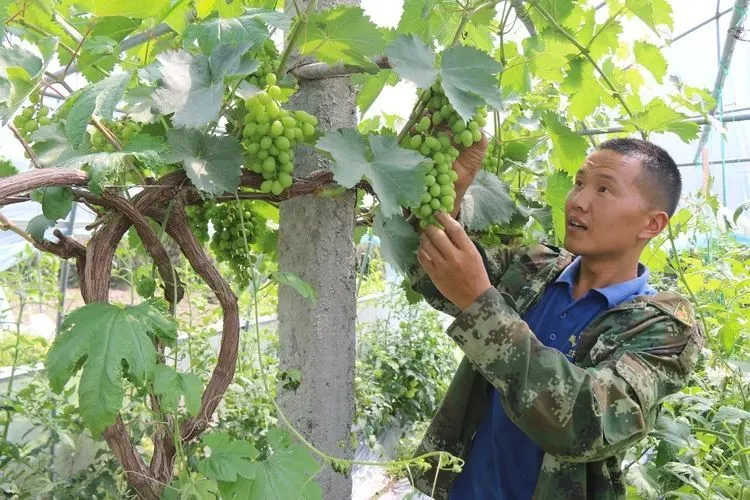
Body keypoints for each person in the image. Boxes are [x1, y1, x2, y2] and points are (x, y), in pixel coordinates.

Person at [407, 135, 704, 499]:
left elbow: (586, 422)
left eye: (604, 190)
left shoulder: (664, 329)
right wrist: (446, 198)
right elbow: (432, 275)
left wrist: (481, 305)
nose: (578, 201)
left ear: (652, 225)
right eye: (579, 183)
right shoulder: (534, 267)